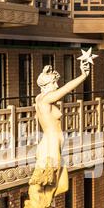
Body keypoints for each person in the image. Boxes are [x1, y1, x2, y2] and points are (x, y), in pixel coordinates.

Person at [30, 61, 90, 196]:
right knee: (56, 185)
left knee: (58, 185)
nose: (56, 85)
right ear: (46, 85)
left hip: (48, 143)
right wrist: (83, 76)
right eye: (54, 83)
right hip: (52, 145)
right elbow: (67, 88)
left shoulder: (39, 98)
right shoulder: (46, 100)